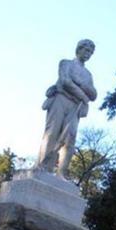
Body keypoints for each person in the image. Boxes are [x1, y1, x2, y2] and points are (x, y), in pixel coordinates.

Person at [36, 39, 97, 178]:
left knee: (70, 139)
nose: (88, 54)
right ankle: (42, 166)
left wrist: (80, 83)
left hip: (75, 106)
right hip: (60, 99)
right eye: (86, 50)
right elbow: (65, 82)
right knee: (52, 133)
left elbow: (94, 94)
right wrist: (84, 95)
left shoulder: (88, 75)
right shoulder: (66, 63)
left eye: (91, 52)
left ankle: (61, 173)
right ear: (79, 49)